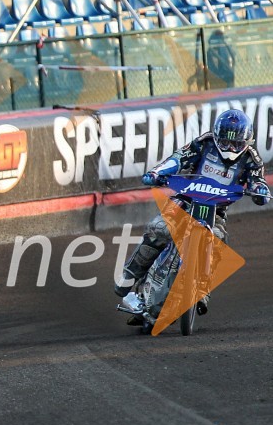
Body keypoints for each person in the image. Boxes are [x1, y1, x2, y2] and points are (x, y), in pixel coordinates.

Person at [114, 109, 270, 314]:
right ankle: (131, 273)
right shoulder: (204, 143)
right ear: (216, 136)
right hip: (185, 200)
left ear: (246, 141)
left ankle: (201, 291)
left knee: (218, 240)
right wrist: (157, 172)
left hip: (216, 211)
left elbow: (257, 181)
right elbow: (178, 158)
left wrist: (261, 190)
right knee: (159, 228)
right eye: (225, 142)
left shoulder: (251, 158)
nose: (230, 147)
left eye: (236, 143)